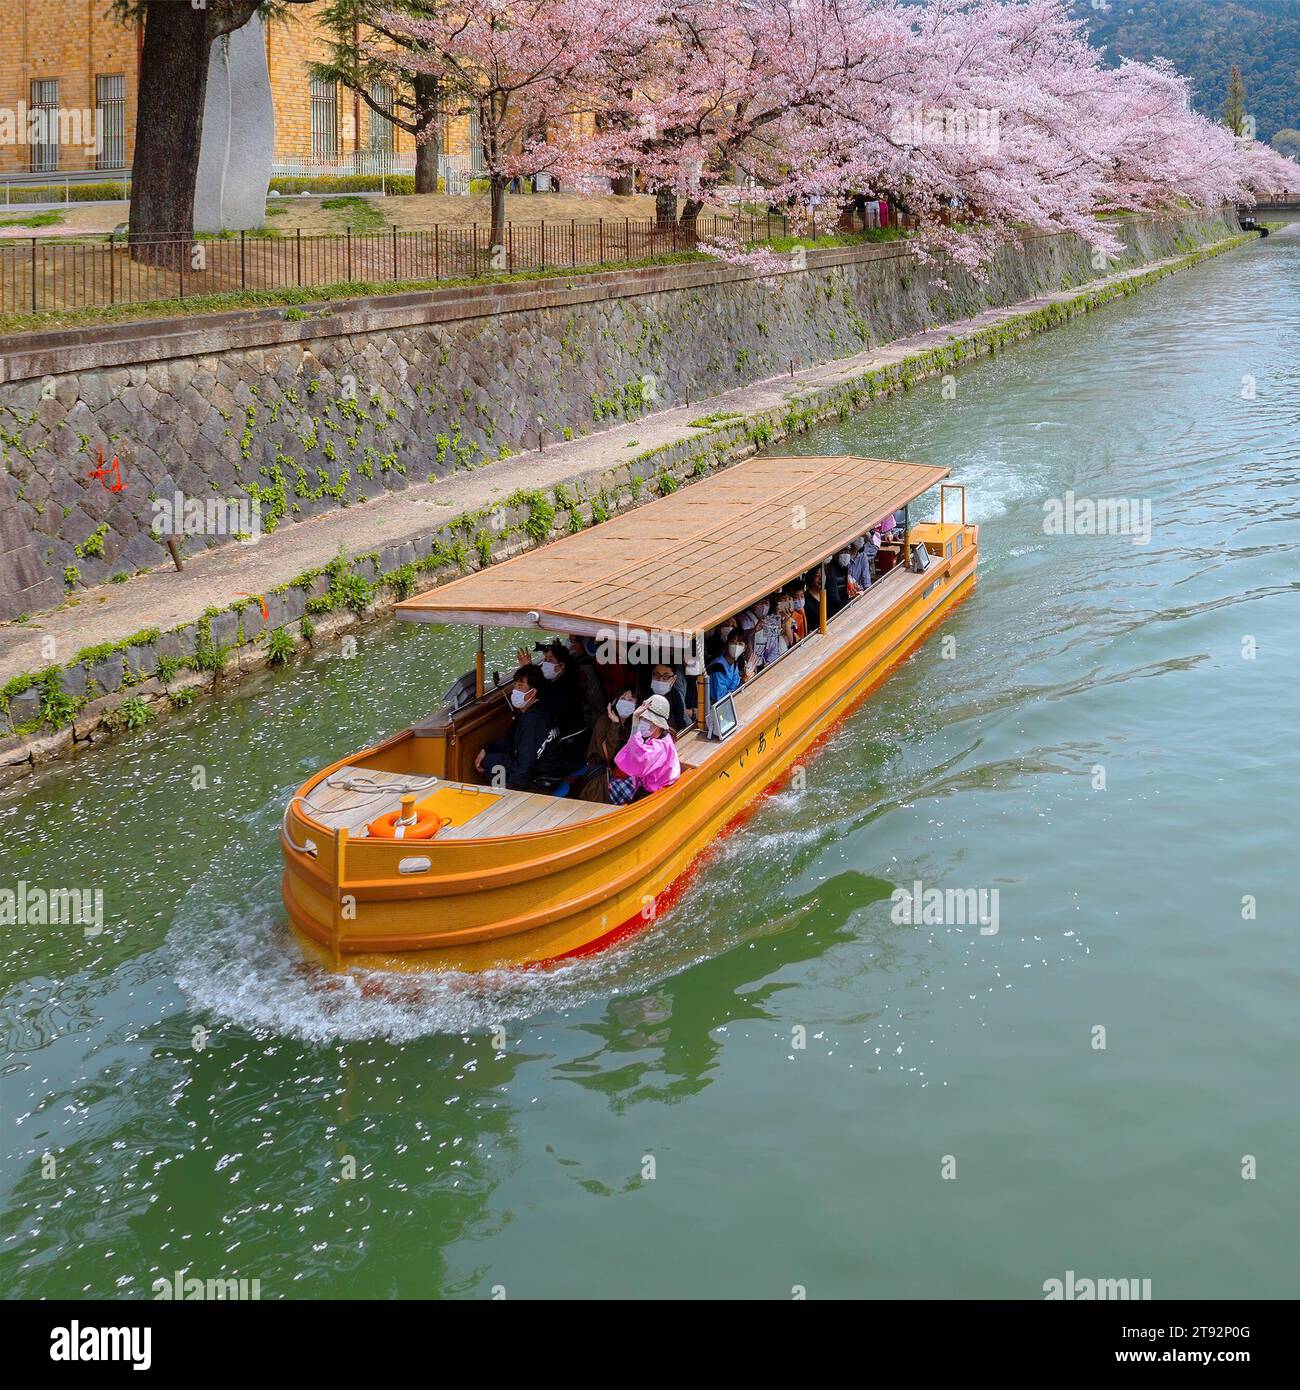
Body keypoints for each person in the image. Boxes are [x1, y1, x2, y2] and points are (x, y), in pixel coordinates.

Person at [475, 665, 558, 791]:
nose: (515, 691)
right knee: (491, 757)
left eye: (520, 687)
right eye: (515, 686)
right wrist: (487, 748)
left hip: (541, 777)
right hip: (546, 767)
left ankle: (503, 793)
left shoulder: (533, 720)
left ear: (533, 692)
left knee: (491, 763)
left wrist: (512, 791)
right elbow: (510, 739)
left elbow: (526, 761)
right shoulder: (533, 709)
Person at [609, 695, 681, 803]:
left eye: (646, 719)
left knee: (613, 788)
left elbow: (640, 758)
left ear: (658, 724)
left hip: (654, 795)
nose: (642, 721)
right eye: (641, 718)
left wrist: (635, 721)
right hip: (650, 788)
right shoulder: (659, 738)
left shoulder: (661, 747)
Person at [578, 683, 637, 803]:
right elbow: (607, 754)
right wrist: (614, 724)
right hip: (601, 776)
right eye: (623, 699)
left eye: (630, 700)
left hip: (621, 773)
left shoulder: (632, 722)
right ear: (616, 701)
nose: (626, 702)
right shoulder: (604, 722)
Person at [566, 634, 606, 726]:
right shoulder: (582, 665)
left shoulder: (584, 669)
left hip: (593, 712)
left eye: (573, 641)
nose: (570, 643)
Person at [647, 662, 689, 732]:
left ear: (674, 679)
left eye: (666, 677)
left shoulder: (675, 695)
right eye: (657, 675)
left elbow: (680, 721)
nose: (660, 680)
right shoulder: (643, 693)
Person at [707, 629, 746, 704]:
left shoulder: (734, 663)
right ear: (727, 643)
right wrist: (743, 680)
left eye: (740, 644)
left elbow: (734, 687)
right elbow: (722, 700)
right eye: (733, 642)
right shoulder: (718, 666)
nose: (736, 646)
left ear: (744, 648)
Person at [826, 549, 852, 617]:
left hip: (843, 604)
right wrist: (847, 604)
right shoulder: (831, 569)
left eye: (847, 551)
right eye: (843, 552)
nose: (846, 555)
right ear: (836, 555)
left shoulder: (844, 568)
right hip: (834, 609)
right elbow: (834, 595)